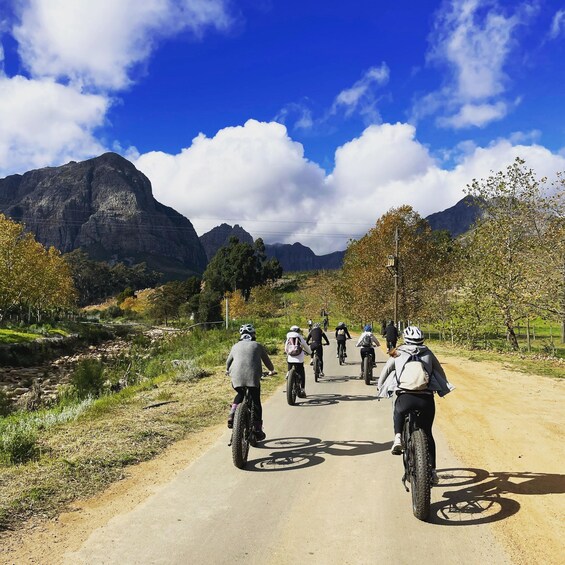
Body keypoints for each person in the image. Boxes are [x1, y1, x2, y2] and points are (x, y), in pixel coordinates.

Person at [376, 326, 454, 484]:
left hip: (405, 397)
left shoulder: (396, 352)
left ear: (405, 338)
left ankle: (398, 437)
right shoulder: (428, 352)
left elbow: (386, 370)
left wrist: (380, 386)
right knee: (428, 434)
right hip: (425, 400)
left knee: (397, 410)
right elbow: (440, 372)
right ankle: (432, 471)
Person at [226, 324, 275, 441]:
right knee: (256, 401)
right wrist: (272, 370)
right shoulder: (257, 345)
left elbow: (228, 362)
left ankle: (232, 413)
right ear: (253, 335)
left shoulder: (235, 346)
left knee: (240, 393)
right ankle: (257, 429)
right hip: (252, 378)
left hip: (236, 377)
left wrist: (227, 370)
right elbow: (267, 361)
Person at [285, 325, 312, 398]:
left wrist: (288, 353)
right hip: (299, 359)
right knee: (301, 372)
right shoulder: (299, 337)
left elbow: (286, 348)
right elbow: (305, 346)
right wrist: (310, 352)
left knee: (289, 369)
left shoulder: (288, 337)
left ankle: (288, 377)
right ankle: (302, 389)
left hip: (290, 358)